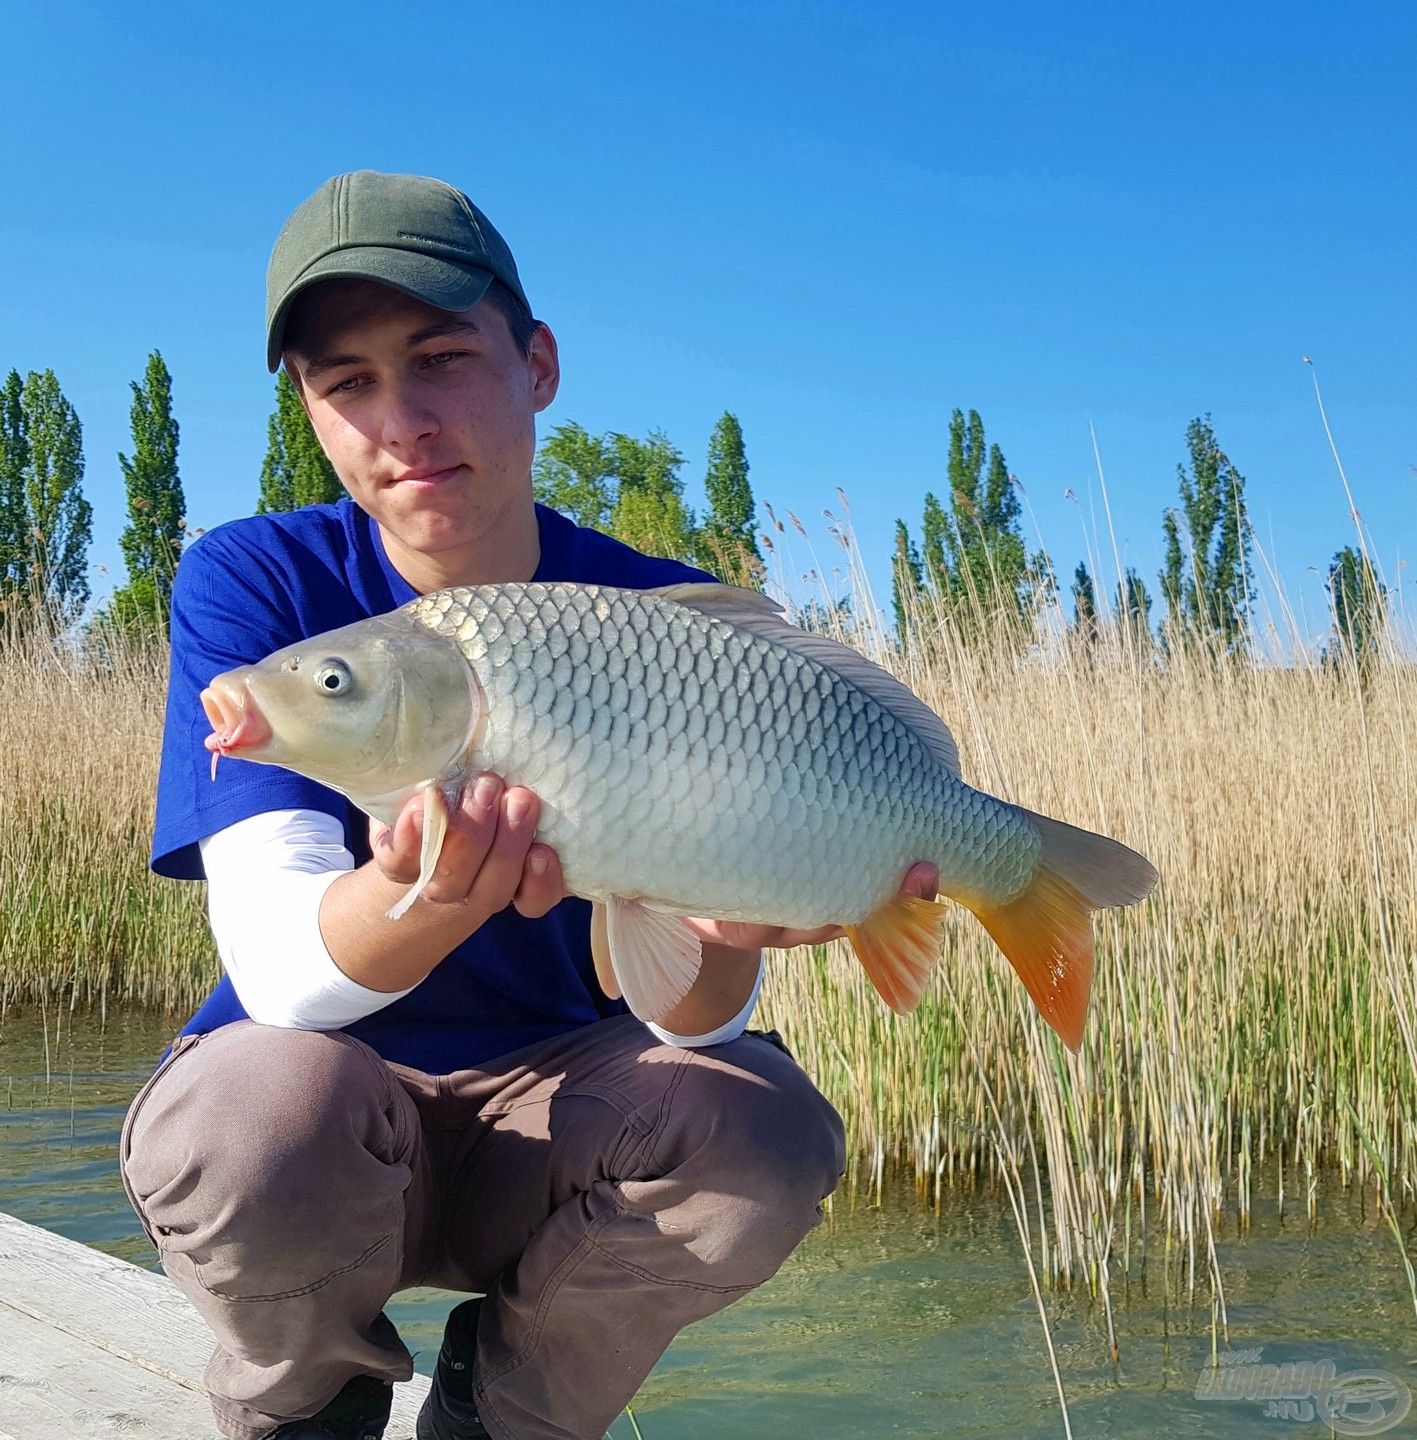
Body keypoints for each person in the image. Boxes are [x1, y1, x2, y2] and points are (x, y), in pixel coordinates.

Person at [119, 170, 937, 1440]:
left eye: (442, 358)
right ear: (311, 414)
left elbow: (695, 1015)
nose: (404, 423)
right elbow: (281, 978)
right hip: (322, 1131)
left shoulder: (671, 620)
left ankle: (499, 1417)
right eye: (349, 385)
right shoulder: (258, 587)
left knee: (763, 1135)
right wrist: (424, 890)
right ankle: (303, 1412)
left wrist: (726, 937)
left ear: (537, 364)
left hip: (558, 1128)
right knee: (255, 1118)